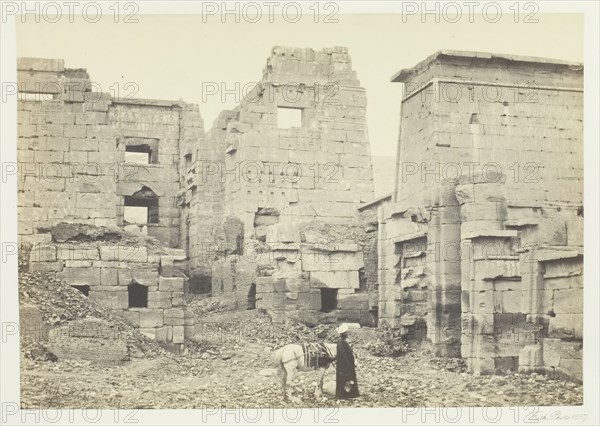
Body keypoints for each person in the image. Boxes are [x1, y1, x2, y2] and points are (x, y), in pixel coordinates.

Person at [335, 324, 360, 399]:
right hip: (344, 366)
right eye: (345, 332)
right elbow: (343, 356)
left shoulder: (343, 342)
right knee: (345, 379)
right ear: (342, 334)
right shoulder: (341, 343)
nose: (347, 334)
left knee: (348, 379)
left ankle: (350, 395)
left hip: (347, 365)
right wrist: (348, 366)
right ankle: (344, 395)